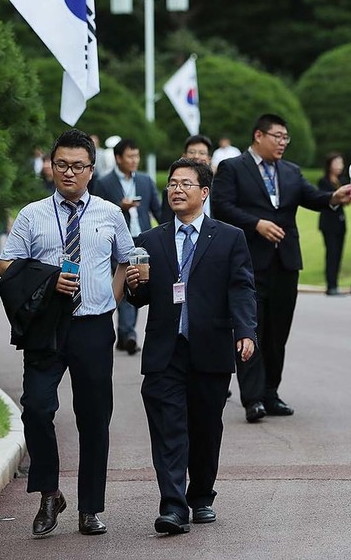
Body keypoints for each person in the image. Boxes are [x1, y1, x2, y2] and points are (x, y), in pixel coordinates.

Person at [0, 129, 134, 538]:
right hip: (46, 328)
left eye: (77, 166)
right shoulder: (32, 214)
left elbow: (127, 260)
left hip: (93, 326)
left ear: (92, 170)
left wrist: (111, 298)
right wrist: (50, 277)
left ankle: (90, 508)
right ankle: (49, 492)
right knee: (37, 408)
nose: (68, 173)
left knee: (94, 417)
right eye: (61, 165)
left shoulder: (110, 214)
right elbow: (7, 265)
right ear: (51, 167)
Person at [125, 158, 256, 535]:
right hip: (165, 350)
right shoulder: (150, 240)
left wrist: (245, 330)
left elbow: (242, 288)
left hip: (211, 347)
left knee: (204, 428)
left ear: (204, 192)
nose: (176, 190)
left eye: (185, 184)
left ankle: (200, 495)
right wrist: (136, 284)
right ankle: (172, 506)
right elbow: (141, 296)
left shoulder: (230, 237)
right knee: (168, 428)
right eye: (171, 184)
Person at [212, 113, 351, 421]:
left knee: (278, 333)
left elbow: (312, 197)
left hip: (286, 262)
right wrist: (256, 224)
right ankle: (253, 398)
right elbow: (222, 206)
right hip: (249, 263)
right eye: (277, 136)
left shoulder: (290, 171)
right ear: (258, 136)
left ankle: (271, 393)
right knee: (252, 330)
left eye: (285, 138)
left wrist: (335, 196)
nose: (282, 143)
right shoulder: (233, 168)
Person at [94, 138, 161, 355]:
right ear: (118, 158)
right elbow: (97, 215)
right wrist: (118, 207)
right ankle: (128, 332)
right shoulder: (104, 183)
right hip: (115, 242)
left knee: (137, 284)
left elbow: (157, 211)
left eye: (137, 156)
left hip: (140, 241)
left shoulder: (145, 181)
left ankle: (124, 334)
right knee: (123, 282)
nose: (134, 160)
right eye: (130, 156)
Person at [161, 135, 213, 223]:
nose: (196, 156)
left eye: (202, 153)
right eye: (192, 152)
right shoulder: (171, 191)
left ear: (209, 158)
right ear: (184, 156)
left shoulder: (221, 189)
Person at [317, 152, 347, 296]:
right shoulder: (324, 181)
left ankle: (335, 283)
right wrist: (340, 199)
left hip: (340, 221)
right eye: (337, 163)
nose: (340, 166)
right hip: (329, 222)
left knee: (339, 254)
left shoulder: (341, 180)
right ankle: (331, 285)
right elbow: (325, 199)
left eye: (341, 163)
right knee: (332, 253)